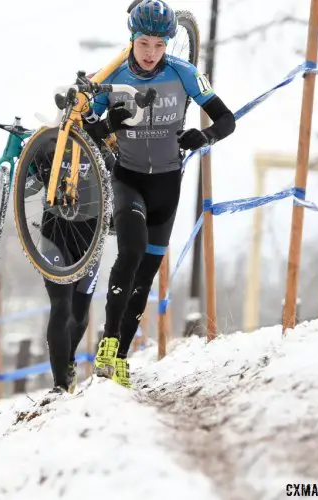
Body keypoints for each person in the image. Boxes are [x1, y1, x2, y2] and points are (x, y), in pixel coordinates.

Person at [83, 0, 236, 387]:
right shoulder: (113, 75)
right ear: (132, 39)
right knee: (131, 251)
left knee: (145, 277)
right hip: (128, 178)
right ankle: (107, 342)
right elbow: (87, 132)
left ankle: (120, 360)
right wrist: (108, 124)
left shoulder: (183, 73)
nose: (152, 53)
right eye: (145, 43)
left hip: (167, 185)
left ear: (168, 44)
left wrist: (205, 136)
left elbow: (226, 119)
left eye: (159, 45)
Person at [25, 132, 117, 394]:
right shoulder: (52, 143)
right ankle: (60, 386)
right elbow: (29, 183)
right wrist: (37, 168)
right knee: (60, 304)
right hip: (55, 233)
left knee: (79, 314)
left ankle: (69, 362)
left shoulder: (106, 150)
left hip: (90, 239)